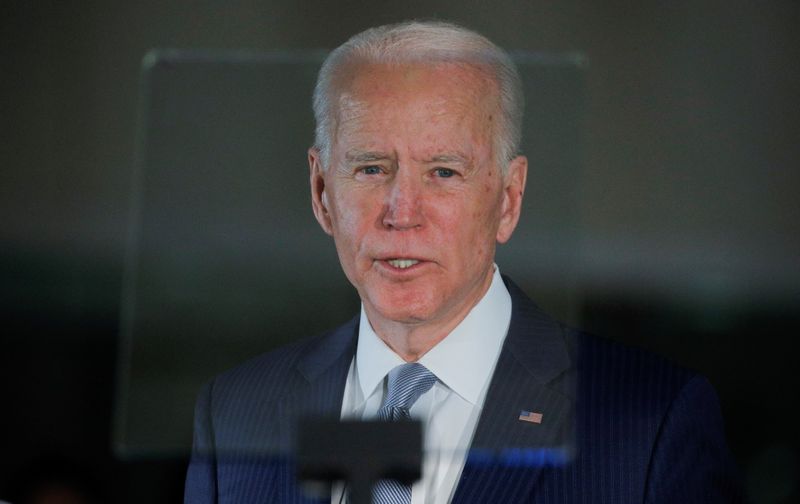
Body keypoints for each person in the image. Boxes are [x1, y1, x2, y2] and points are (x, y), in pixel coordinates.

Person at [184, 21, 742, 503]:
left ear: (508, 199)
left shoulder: (649, 424)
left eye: (444, 172)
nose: (402, 214)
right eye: (372, 168)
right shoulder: (235, 410)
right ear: (321, 190)